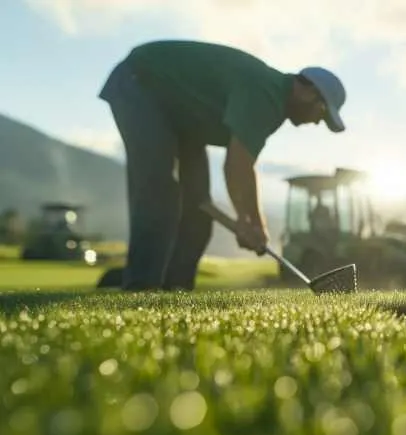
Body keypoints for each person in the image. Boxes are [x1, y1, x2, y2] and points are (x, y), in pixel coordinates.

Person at [97, 39, 347, 291]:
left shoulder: (273, 100)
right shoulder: (267, 92)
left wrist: (252, 223)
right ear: (307, 91)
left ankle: (175, 291)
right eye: (322, 112)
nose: (317, 122)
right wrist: (248, 222)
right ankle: (141, 289)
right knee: (159, 193)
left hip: (182, 117)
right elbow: (238, 165)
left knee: (198, 209)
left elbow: (242, 162)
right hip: (141, 82)